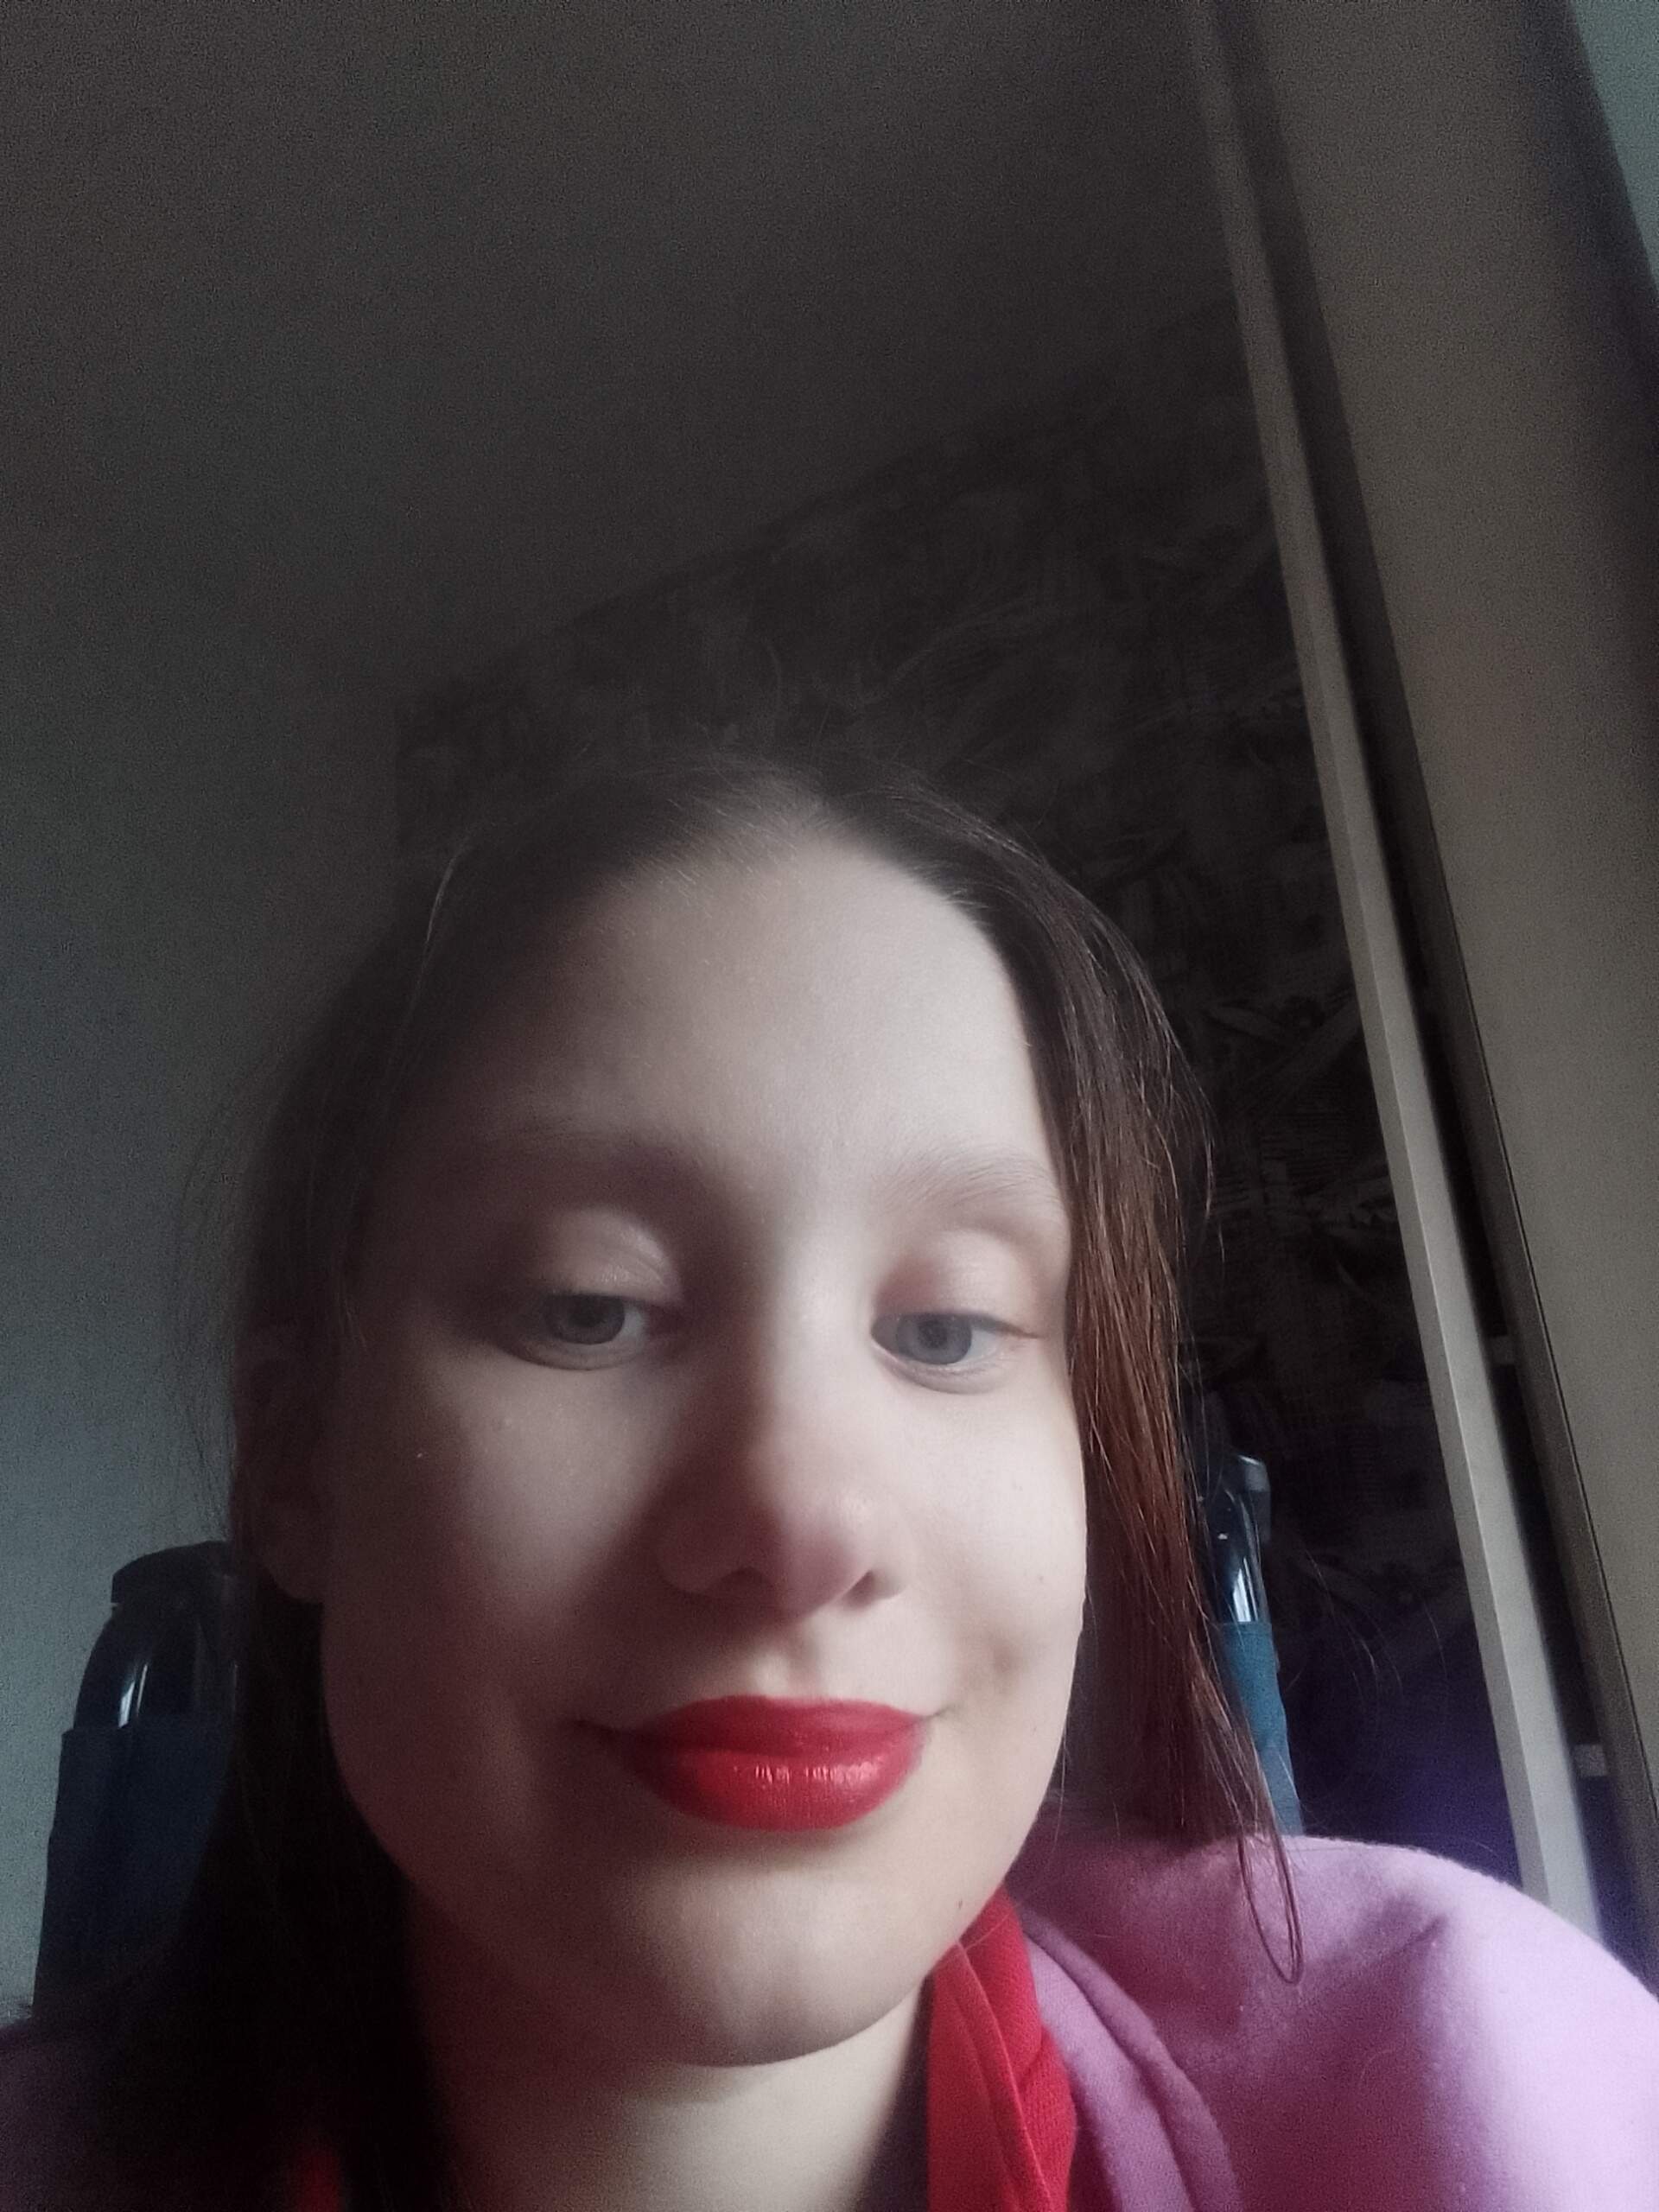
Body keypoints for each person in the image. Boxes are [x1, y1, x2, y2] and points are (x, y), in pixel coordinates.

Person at [5, 743, 1657, 2211]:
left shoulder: (1472, 2088)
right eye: (589, 1305)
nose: (801, 1525)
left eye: (945, 1329)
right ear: (298, 1453)